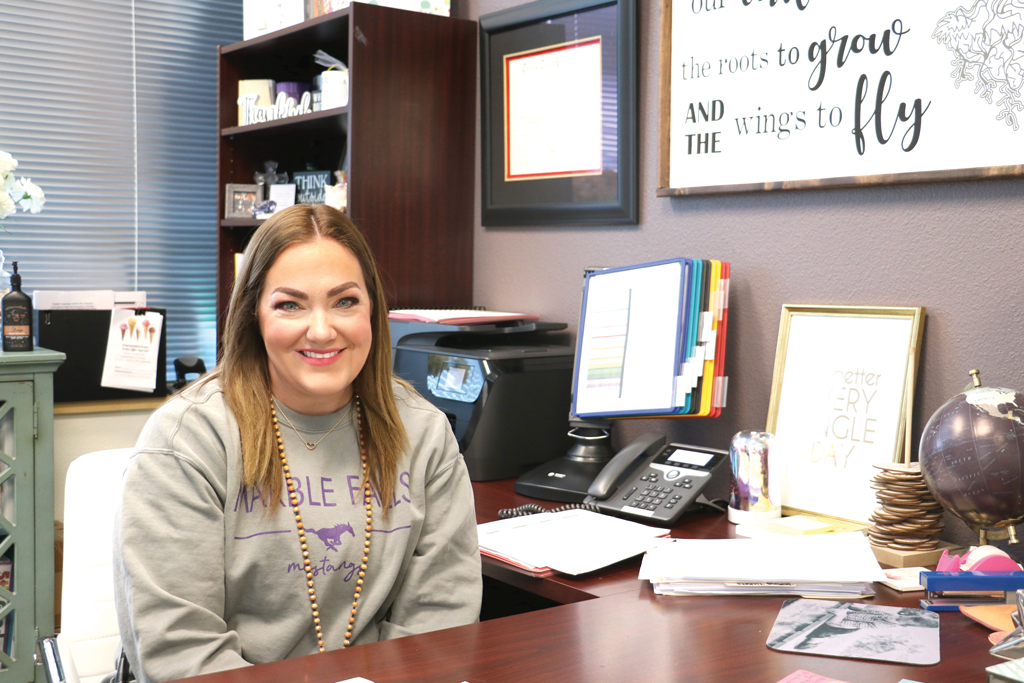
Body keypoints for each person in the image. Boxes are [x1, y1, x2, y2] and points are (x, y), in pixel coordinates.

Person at [113, 204, 482, 682]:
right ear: (254, 316)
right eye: (290, 304)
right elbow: (181, 655)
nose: (323, 330)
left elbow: (440, 627)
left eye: (345, 301)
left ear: (373, 309)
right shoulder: (187, 441)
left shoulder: (423, 433)